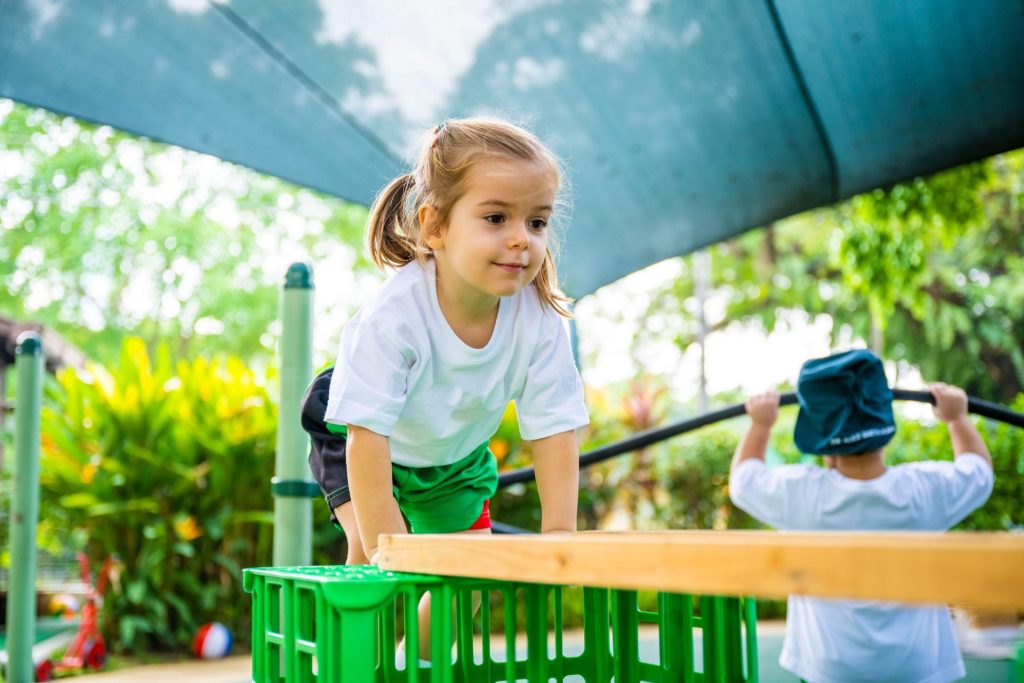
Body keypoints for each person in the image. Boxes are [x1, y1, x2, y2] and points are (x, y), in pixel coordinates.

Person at [302, 117, 589, 663]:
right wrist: (387, 548)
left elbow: (555, 426)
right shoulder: (396, 314)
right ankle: (342, 668)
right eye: (496, 217)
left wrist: (560, 534)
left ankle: (413, 669)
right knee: (372, 566)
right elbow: (366, 434)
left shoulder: (539, 318)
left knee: (470, 579)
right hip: (358, 435)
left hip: (451, 457)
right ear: (435, 227)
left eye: (537, 221)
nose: (521, 238)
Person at [728, 349, 994, 683]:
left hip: (830, 668)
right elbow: (978, 471)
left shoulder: (802, 495)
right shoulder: (924, 490)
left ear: (822, 443)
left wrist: (760, 425)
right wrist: (957, 419)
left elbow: (744, 480)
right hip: (917, 667)